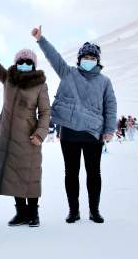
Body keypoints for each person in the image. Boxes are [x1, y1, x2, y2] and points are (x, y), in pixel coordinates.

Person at [34, 26, 116, 224]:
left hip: (92, 133)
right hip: (69, 132)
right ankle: (74, 210)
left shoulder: (104, 81)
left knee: (93, 173)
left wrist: (109, 130)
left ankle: (94, 211)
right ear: (79, 59)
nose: (89, 60)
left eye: (92, 58)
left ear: (97, 61)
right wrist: (41, 39)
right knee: (71, 173)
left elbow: (110, 106)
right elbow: (54, 58)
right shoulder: (69, 73)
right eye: (85, 57)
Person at [0, 30, 50, 228]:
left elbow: (45, 112)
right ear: (16, 63)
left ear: (33, 65)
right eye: (21, 61)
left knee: (30, 174)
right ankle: (21, 213)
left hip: (29, 136)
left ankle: (33, 214)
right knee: (13, 174)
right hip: (6, 135)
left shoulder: (40, 85)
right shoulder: (8, 77)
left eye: (28, 61)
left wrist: (40, 134)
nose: (24, 64)